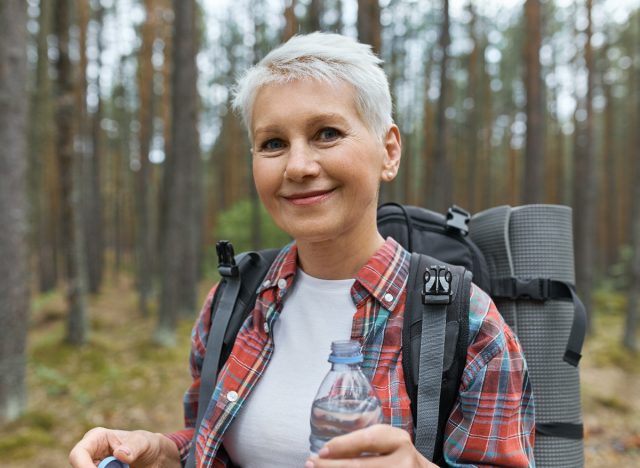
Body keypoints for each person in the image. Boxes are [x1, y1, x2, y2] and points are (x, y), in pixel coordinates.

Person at [69, 32, 535, 468]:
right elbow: (215, 441)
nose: (298, 165)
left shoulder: (465, 323)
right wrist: (165, 453)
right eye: (273, 143)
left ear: (389, 151)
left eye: (326, 133)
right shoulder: (235, 301)